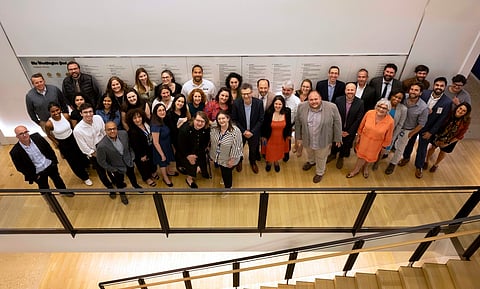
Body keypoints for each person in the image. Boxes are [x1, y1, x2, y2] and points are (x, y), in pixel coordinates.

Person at [10, 125, 74, 197]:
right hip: (38, 173)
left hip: (49, 165)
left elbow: (49, 149)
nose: (25, 135)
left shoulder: (37, 137)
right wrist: (35, 176)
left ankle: (64, 192)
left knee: (57, 179)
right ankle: (51, 201)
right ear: (17, 136)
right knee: (44, 188)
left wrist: (54, 162)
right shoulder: (15, 152)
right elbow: (20, 167)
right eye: (21, 134)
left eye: (26, 132)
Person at [409, 77, 452, 178]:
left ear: (445, 87)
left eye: (441, 86)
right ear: (433, 85)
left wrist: (431, 132)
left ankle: (419, 167)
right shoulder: (424, 93)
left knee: (422, 148)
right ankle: (406, 158)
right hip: (416, 124)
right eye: (437, 85)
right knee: (409, 143)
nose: (439, 87)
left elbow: (441, 119)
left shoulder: (447, 102)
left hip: (428, 129)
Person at [295, 90, 342, 183]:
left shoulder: (332, 107)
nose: (314, 102)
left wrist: (337, 138)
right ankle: (311, 162)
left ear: (320, 98)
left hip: (323, 139)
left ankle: (320, 172)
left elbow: (337, 122)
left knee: (321, 157)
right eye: (311, 100)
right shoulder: (301, 106)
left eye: (316, 99)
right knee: (309, 152)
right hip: (307, 138)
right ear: (308, 100)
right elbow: (298, 122)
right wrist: (298, 137)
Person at [385, 83, 428, 175]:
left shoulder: (423, 107)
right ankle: (384, 153)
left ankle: (393, 163)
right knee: (389, 141)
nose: (413, 91)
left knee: (400, 148)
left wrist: (411, 134)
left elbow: (421, 124)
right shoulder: (403, 98)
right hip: (395, 125)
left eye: (416, 90)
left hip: (407, 129)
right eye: (412, 89)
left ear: (420, 93)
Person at [45, 102, 92, 186]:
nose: (56, 113)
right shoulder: (49, 124)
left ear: (60, 109)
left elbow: (72, 125)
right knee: (73, 161)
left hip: (73, 138)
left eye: (57, 110)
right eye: (53, 111)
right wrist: (57, 143)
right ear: (49, 112)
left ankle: (86, 167)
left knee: (80, 154)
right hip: (63, 143)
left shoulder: (66, 116)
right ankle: (84, 177)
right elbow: (48, 134)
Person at [346, 99, 394, 178]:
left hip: (376, 143)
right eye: (379, 106)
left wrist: (384, 146)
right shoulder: (369, 113)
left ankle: (366, 168)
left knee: (369, 158)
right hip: (364, 140)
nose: (381, 109)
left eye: (384, 108)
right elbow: (361, 125)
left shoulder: (390, 121)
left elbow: (389, 135)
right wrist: (358, 136)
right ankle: (356, 170)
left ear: (388, 110)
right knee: (361, 157)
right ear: (376, 106)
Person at [97, 121, 141, 205]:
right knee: (119, 183)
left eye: (114, 128)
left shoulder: (124, 134)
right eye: (109, 129)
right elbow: (101, 161)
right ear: (105, 131)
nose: (112, 131)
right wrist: (112, 169)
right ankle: (122, 194)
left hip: (128, 162)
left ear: (117, 129)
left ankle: (135, 185)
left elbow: (129, 146)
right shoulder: (101, 145)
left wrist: (132, 157)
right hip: (116, 168)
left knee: (132, 176)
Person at [73, 103, 114, 191]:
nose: (88, 114)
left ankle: (115, 182)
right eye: (85, 112)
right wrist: (99, 155)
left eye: (90, 111)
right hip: (95, 154)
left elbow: (104, 132)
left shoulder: (98, 118)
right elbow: (84, 148)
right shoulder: (77, 130)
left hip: (105, 148)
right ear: (81, 114)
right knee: (102, 173)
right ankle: (109, 188)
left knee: (111, 168)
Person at [425, 102, 471, 172]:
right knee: (432, 147)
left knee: (443, 151)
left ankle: (436, 165)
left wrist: (447, 143)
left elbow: (460, 135)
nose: (460, 111)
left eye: (464, 111)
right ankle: (426, 161)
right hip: (439, 134)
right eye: (460, 108)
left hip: (451, 139)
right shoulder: (449, 114)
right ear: (457, 108)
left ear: (466, 113)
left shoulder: (466, 122)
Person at [327, 82, 364, 169]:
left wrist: (349, 132)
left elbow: (359, 119)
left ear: (355, 91)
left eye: (352, 90)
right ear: (345, 90)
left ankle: (341, 157)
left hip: (350, 130)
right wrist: (339, 130)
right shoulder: (338, 100)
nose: (350, 91)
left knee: (346, 144)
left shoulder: (360, 102)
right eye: (348, 89)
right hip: (338, 128)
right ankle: (333, 154)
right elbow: (334, 116)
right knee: (335, 142)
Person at [232, 83, 264, 174]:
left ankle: (252, 162)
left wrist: (252, 132)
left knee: (253, 149)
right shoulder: (236, 103)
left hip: (254, 132)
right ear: (241, 93)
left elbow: (261, 119)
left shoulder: (259, 103)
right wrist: (243, 131)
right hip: (241, 132)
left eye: (248, 93)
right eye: (243, 94)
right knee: (239, 148)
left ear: (252, 92)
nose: (246, 96)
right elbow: (234, 119)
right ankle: (239, 161)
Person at [372, 90, 407, 169]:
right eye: (395, 96)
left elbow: (400, 125)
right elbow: (374, 114)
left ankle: (377, 162)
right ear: (391, 95)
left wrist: (393, 136)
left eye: (399, 98)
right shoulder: (383, 102)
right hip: (378, 131)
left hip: (390, 134)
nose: (397, 99)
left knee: (383, 149)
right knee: (374, 147)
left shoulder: (403, 109)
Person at [126, 108, 159, 187]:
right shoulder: (132, 131)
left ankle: (153, 172)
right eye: (135, 118)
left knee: (152, 162)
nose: (137, 120)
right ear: (131, 120)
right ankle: (147, 178)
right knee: (143, 166)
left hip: (150, 148)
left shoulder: (146, 123)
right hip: (141, 153)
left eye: (139, 117)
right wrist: (142, 155)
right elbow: (135, 146)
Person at [209, 111, 243, 188]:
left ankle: (228, 187)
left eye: (223, 118)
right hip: (217, 156)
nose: (221, 121)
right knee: (222, 171)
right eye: (219, 119)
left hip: (228, 159)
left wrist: (231, 161)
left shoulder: (235, 131)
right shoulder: (215, 128)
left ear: (228, 118)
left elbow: (237, 147)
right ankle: (224, 179)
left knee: (226, 173)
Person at [177, 112, 211, 188]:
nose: (199, 123)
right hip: (186, 152)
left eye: (202, 121)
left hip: (200, 150)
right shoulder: (184, 130)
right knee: (193, 168)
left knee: (202, 166)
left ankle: (201, 170)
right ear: (193, 120)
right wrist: (188, 156)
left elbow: (206, 142)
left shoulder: (206, 129)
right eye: (198, 120)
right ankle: (189, 179)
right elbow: (180, 145)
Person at [261, 96, 292, 172]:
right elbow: (264, 125)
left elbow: (288, 125)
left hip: (281, 137)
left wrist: (289, 135)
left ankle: (276, 161)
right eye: (276, 104)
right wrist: (263, 137)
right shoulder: (268, 112)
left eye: (280, 104)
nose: (277, 106)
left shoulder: (287, 112)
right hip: (269, 137)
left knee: (278, 151)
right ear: (273, 104)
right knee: (269, 151)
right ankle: (269, 162)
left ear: (283, 105)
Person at [151, 103, 177, 187]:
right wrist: (161, 154)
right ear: (155, 112)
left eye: (163, 110)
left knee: (167, 160)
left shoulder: (162, 120)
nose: (162, 112)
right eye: (160, 110)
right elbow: (155, 142)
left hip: (167, 144)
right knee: (163, 162)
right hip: (160, 147)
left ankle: (168, 171)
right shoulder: (155, 125)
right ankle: (165, 177)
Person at [281, 80, 300, 162]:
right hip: (278, 124)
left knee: (287, 142)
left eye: (288, 90)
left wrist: (294, 127)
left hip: (289, 126)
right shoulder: (278, 96)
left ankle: (286, 155)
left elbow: (298, 117)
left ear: (292, 90)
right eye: (284, 89)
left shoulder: (297, 101)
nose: (286, 92)